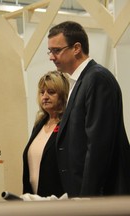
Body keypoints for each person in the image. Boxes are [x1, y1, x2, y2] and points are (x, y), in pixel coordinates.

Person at [47, 21, 130, 197]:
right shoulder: (78, 82)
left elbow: (98, 145)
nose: (51, 57)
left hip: (101, 195)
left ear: (76, 48)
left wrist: (87, 198)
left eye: (56, 50)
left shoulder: (96, 79)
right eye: (50, 51)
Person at [22, 71, 69, 197]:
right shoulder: (39, 124)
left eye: (51, 92)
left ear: (63, 95)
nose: (45, 97)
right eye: (42, 92)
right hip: (35, 199)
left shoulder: (68, 124)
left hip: (58, 200)